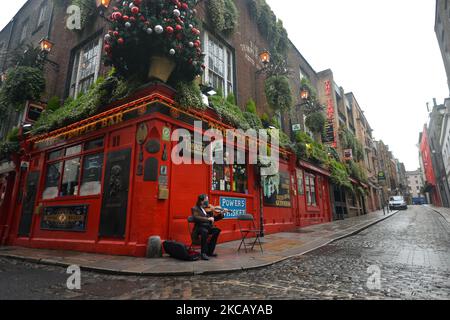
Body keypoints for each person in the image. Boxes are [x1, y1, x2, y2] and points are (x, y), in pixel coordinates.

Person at [191, 194, 230, 261]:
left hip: (208, 227)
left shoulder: (209, 209)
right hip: (199, 227)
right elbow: (196, 218)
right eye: (206, 200)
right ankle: (203, 253)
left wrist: (222, 213)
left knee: (216, 230)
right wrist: (207, 219)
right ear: (201, 201)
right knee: (204, 231)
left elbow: (214, 218)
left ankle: (210, 252)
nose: (208, 201)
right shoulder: (195, 208)